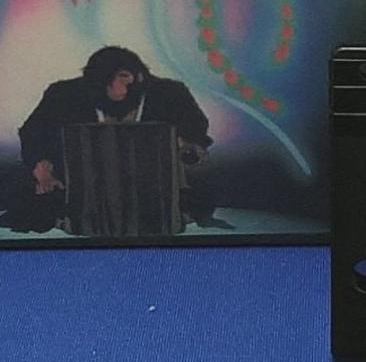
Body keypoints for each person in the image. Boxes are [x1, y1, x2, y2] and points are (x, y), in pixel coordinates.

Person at [13, 46, 215, 231]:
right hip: (82, 194)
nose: (118, 89)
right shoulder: (63, 95)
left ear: (139, 76)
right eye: (107, 80)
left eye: (123, 77)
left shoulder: (170, 93)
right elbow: (33, 134)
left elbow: (195, 132)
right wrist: (43, 171)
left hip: (156, 194)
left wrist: (189, 148)